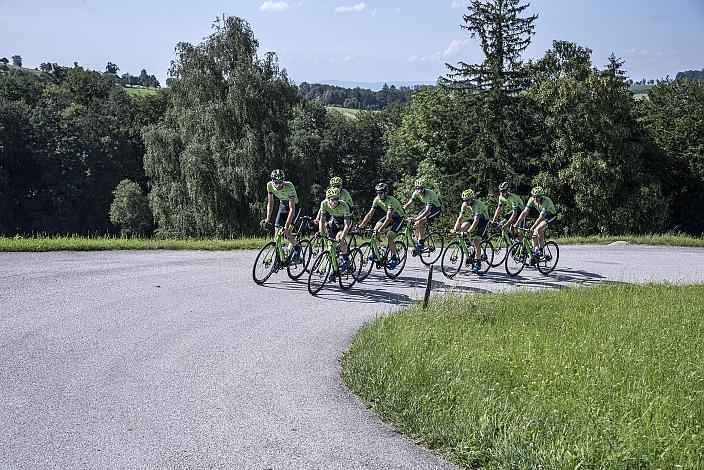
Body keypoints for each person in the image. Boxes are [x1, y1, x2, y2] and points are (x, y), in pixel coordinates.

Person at [358, 182, 405, 270]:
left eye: (381, 193)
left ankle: (394, 257)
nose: (379, 195)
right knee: (375, 230)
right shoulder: (377, 200)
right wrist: (361, 225)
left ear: (386, 192)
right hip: (390, 217)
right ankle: (379, 251)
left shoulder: (391, 201)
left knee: (390, 237)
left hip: (399, 218)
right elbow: (369, 214)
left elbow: (388, 218)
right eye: (377, 193)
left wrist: (381, 229)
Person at [260, 169, 301, 263]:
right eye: (276, 182)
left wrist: (287, 225)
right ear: (272, 181)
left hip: (294, 207)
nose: (278, 185)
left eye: (280, 182)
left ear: (283, 180)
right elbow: (270, 203)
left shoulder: (289, 186)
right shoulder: (269, 185)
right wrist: (267, 219)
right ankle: (279, 258)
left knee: (287, 232)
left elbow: (292, 208)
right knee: (277, 233)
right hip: (283, 205)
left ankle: (297, 248)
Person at [318, 187, 353, 281]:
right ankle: (334, 269)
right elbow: (322, 220)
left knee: (339, 237)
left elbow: (347, 225)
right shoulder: (324, 204)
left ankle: (345, 258)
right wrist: (321, 233)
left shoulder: (344, 205)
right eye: (333, 199)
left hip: (345, 221)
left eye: (337, 198)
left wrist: (342, 237)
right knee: (330, 243)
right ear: (328, 199)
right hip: (335, 220)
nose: (335, 201)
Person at [452, 189, 489, 273]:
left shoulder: (477, 204)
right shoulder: (464, 204)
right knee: (462, 227)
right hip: (476, 218)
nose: (466, 202)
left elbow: (476, 221)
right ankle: (470, 247)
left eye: (467, 200)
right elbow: (460, 218)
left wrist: (468, 232)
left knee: (476, 241)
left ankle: (478, 263)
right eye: (464, 200)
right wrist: (455, 229)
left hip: (484, 221)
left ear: (472, 198)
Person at [514, 186, 558, 257]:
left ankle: (541, 249)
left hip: (551, 217)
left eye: (537, 197)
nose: (535, 199)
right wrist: (517, 223)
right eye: (534, 196)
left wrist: (532, 227)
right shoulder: (531, 199)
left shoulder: (546, 201)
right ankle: (535, 254)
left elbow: (541, 217)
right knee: (534, 235)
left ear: (541, 196)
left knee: (538, 229)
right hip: (543, 217)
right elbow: (524, 212)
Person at [402, 179, 442, 256]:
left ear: (424, 188)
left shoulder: (429, 194)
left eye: (421, 188)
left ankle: (421, 243)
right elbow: (409, 204)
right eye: (417, 188)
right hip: (427, 207)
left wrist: (417, 218)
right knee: (414, 223)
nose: (419, 190)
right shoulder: (415, 193)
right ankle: (418, 241)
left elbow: (427, 211)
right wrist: (401, 211)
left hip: (435, 209)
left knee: (420, 221)